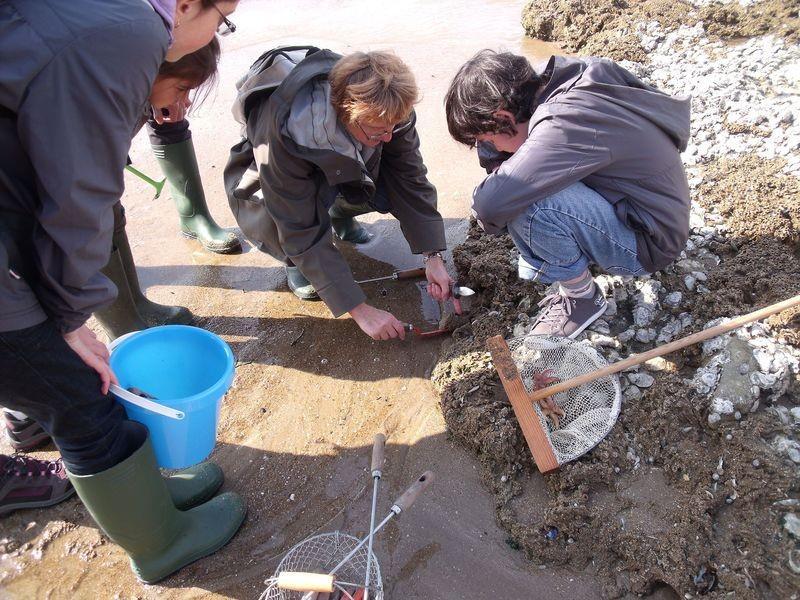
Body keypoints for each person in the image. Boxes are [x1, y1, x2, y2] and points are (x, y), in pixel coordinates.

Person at [0, 0, 245, 583]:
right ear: (187, 5)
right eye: (224, 16)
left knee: (67, 377)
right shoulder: (133, 30)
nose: (219, 31)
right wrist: (67, 314)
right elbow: (79, 192)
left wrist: (61, 307)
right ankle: (160, 543)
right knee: (82, 396)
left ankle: (146, 497)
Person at [445, 50, 691, 338]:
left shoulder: (562, 124)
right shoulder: (569, 78)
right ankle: (571, 262)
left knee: (527, 204)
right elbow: (505, 159)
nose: (491, 148)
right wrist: (498, 153)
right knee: (520, 183)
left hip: (649, 244)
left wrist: (506, 209)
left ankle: (581, 297)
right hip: (652, 209)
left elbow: (490, 206)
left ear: (502, 116)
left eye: (487, 139)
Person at [225, 49, 456, 341]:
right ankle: (297, 265)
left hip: (340, 155)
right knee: (280, 220)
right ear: (346, 113)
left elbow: (410, 179)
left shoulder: (388, 109)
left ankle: (339, 215)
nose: (388, 137)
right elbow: (296, 225)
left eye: (393, 128)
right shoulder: (285, 132)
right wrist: (359, 309)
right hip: (276, 175)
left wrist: (432, 255)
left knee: (386, 174)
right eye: (377, 131)